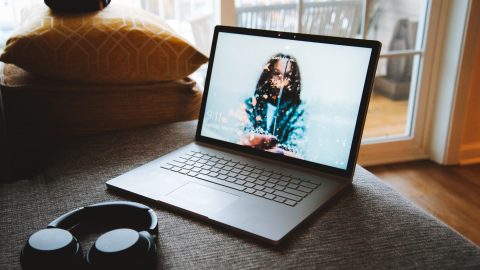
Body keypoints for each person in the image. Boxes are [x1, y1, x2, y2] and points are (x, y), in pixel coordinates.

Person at [240, 53, 306, 157]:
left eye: (287, 76)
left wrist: (260, 143)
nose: (282, 82)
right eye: (277, 74)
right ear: (269, 74)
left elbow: (296, 149)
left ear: (293, 80)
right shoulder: (251, 104)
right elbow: (244, 138)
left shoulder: (298, 109)